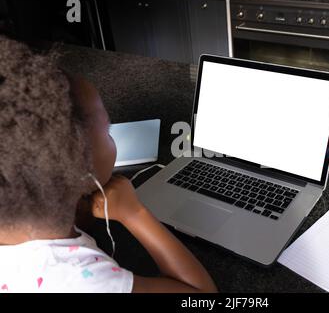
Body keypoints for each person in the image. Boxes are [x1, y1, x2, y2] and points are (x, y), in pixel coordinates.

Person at [0, 36, 217, 293]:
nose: (111, 135)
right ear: (79, 165)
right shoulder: (84, 282)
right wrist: (134, 213)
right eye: (108, 130)